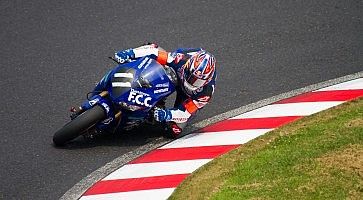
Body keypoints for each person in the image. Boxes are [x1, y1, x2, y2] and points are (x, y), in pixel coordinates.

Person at [115, 43, 216, 138]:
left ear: (206, 80)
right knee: (152, 51)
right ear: (187, 67)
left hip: (188, 96)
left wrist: (167, 114)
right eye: (191, 76)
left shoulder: (205, 93)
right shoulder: (180, 59)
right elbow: (157, 54)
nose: (192, 82)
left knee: (174, 130)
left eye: (198, 81)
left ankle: (152, 111)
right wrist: (130, 53)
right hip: (175, 73)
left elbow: (185, 112)